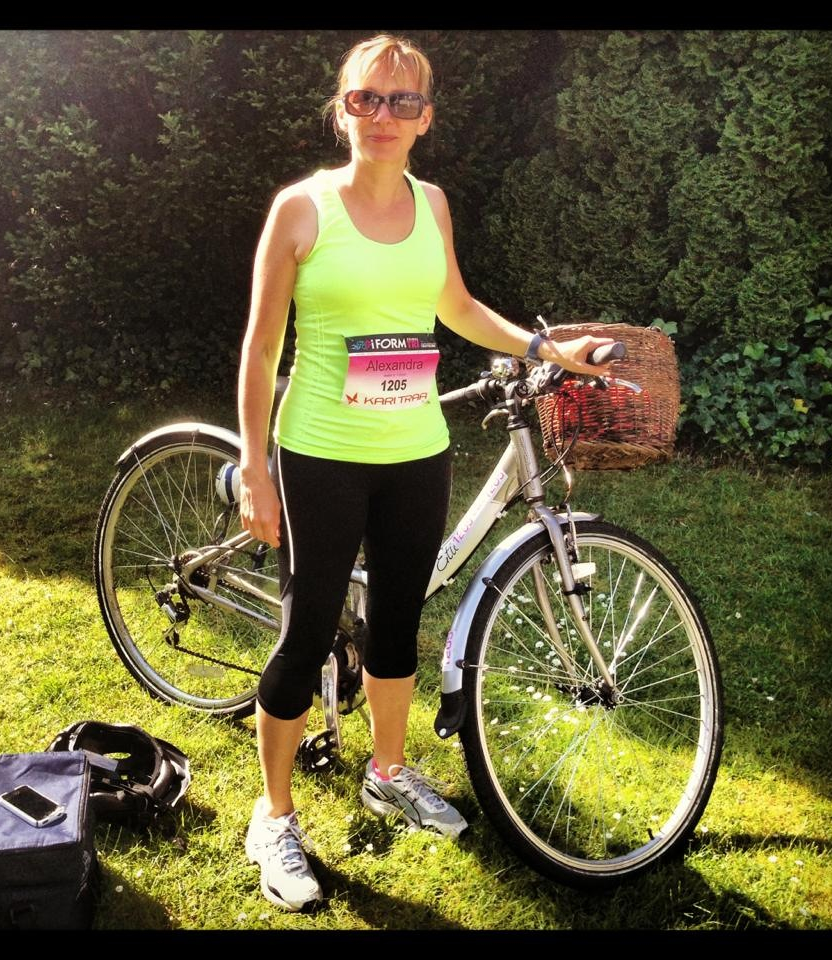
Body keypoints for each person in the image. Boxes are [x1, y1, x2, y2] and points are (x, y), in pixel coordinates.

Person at [237, 34, 614, 912]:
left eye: (401, 102)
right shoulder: (301, 210)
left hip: (416, 451)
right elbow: (260, 351)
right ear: (342, 108)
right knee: (307, 633)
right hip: (322, 452)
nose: (382, 114)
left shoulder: (432, 204)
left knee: (399, 624)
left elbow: (457, 306)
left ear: (425, 119)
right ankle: (274, 815)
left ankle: (388, 771)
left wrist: (547, 348)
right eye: (365, 98)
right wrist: (255, 465)